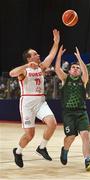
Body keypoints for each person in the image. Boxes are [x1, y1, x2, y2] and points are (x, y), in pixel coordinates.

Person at [9, 29, 60, 168]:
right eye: (35, 54)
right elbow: (11, 73)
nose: (38, 55)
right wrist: (26, 66)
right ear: (29, 58)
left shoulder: (42, 67)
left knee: (53, 123)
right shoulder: (24, 70)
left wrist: (56, 42)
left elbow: (51, 55)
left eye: (37, 53)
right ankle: (18, 152)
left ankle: (42, 147)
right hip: (27, 104)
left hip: (40, 102)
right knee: (29, 135)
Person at [55, 45, 90, 171]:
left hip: (81, 112)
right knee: (71, 137)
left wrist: (79, 59)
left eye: (77, 68)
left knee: (86, 135)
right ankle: (65, 150)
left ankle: (87, 160)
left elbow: (85, 71)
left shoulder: (82, 80)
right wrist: (59, 56)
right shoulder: (65, 79)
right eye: (73, 67)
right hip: (68, 113)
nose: (75, 69)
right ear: (69, 70)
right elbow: (57, 68)